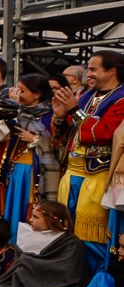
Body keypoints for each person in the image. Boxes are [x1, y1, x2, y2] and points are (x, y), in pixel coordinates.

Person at [51, 49, 124, 268]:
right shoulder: (87, 96)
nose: (88, 74)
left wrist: (74, 110)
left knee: (92, 238)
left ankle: (94, 283)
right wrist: (60, 118)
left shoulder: (121, 99)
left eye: (93, 69)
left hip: (98, 177)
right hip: (72, 173)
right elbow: (67, 135)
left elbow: (102, 133)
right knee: (67, 233)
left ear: (111, 71)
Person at [0, 73, 55, 241]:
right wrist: (10, 110)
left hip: (34, 172)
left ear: (36, 94)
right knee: (12, 209)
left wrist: (35, 139)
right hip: (15, 171)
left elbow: (57, 144)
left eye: (22, 91)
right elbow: (0, 135)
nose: (18, 94)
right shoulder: (16, 112)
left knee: (29, 210)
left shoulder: (49, 115)